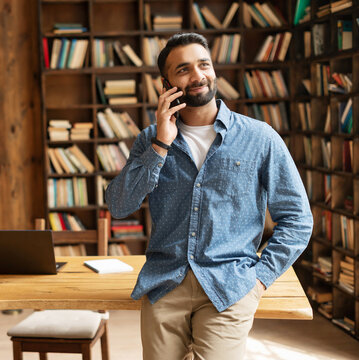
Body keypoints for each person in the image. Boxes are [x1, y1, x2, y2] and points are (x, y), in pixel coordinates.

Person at [105, 33, 313, 360]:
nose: (198, 75)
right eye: (183, 69)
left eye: (204, 64)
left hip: (229, 284)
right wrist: (161, 143)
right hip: (165, 283)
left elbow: (298, 219)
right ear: (166, 84)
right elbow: (119, 206)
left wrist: (259, 280)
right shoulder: (150, 139)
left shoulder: (260, 138)